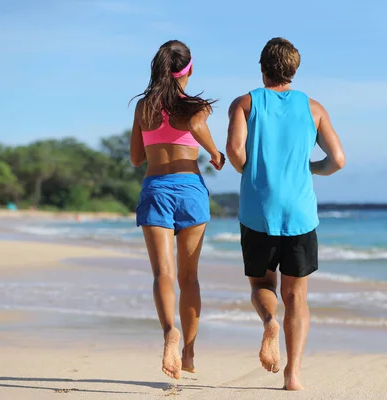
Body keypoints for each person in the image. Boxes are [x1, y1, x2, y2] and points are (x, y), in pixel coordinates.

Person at [226, 37, 345, 390]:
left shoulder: (245, 103)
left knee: (263, 284)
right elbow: (337, 160)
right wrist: (310, 169)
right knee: (296, 297)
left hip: (258, 210)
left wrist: (255, 173)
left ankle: (269, 324)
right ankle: (293, 376)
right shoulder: (314, 108)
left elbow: (234, 152)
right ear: (294, 70)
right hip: (300, 213)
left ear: (262, 68)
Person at [130, 40, 225, 380]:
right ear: (190, 69)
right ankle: (188, 351)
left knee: (163, 274)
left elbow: (136, 158)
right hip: (190, 189)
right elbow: (198, 129)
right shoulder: (196, 107)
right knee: (190, 277)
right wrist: (214, 154)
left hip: (155, 187)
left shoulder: (144, 108)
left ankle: (169, 330)